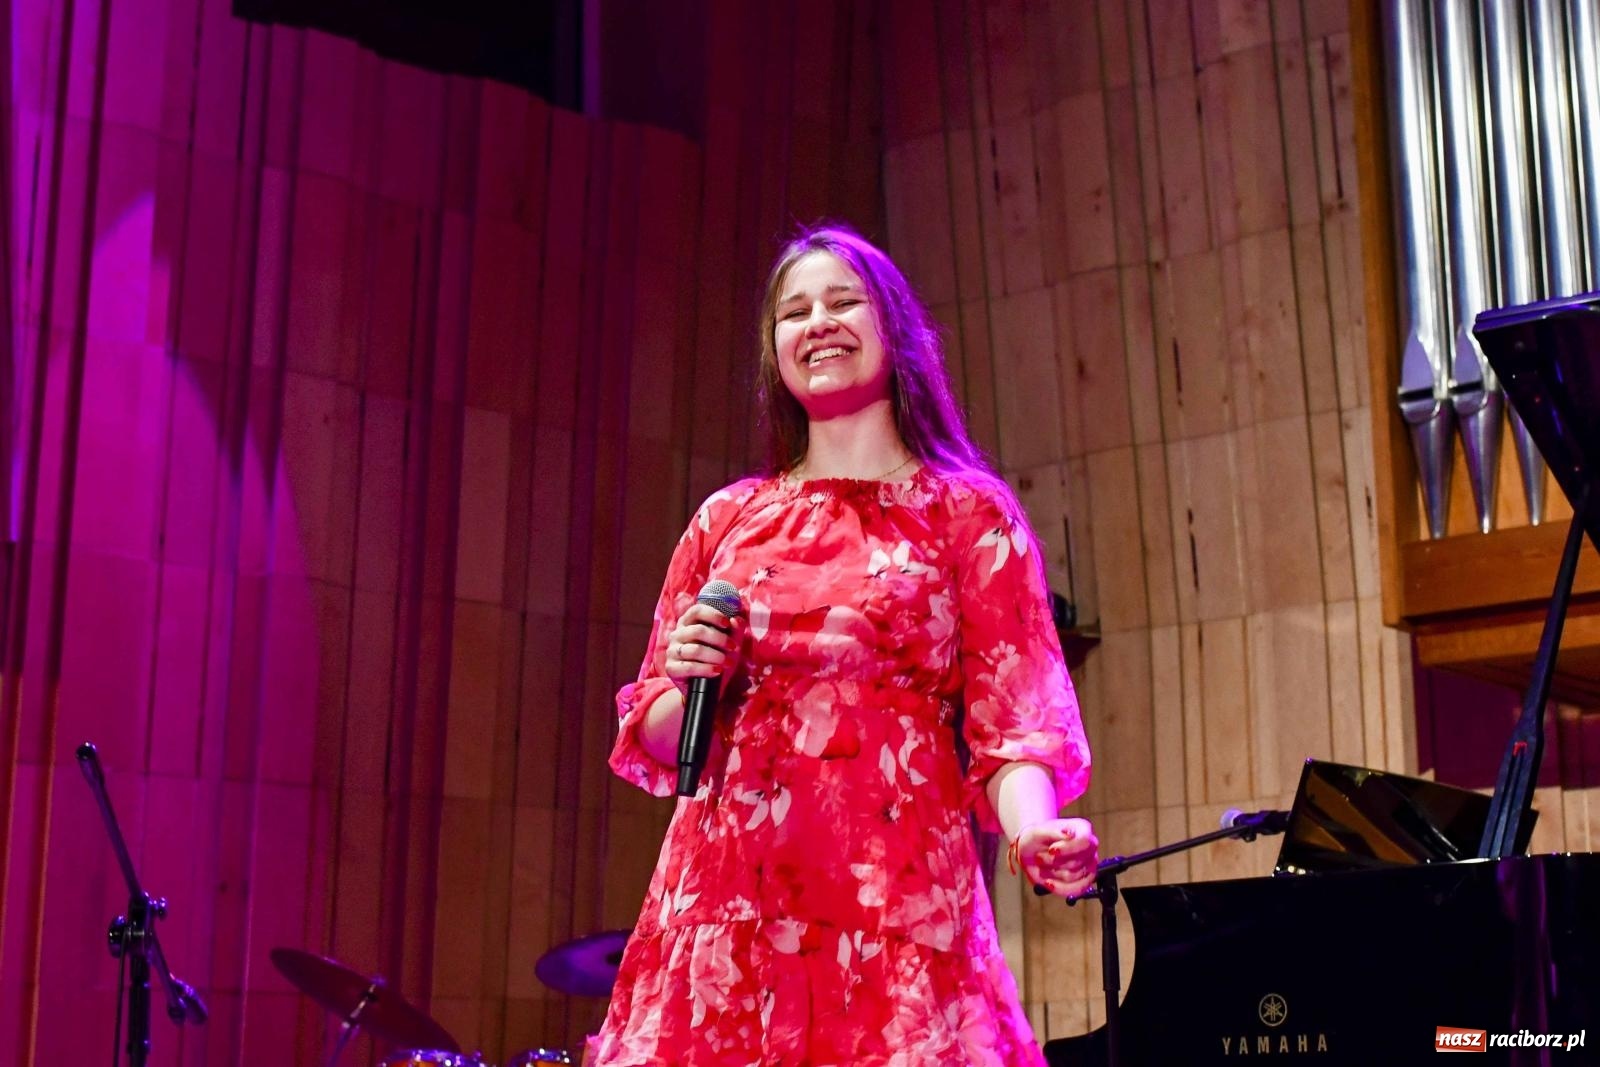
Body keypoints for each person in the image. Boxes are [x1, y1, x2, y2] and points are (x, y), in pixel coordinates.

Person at [592, 223, 1096, 1066]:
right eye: (795, 312)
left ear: (893, 327)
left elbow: (1017, 721)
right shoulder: (728, 520)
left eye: (843, 301)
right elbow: (658, 735)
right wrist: (689, 679)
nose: (817, 322)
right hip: (725, 918)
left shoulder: (965, 515)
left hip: (892, 909)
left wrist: (1034, 830)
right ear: (774, 352)